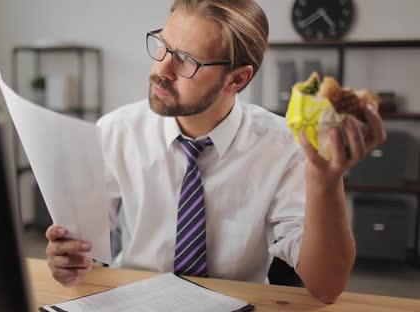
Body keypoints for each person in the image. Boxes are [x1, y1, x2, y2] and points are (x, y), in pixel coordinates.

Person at [44, 0, 386, 303]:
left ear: (236, 80)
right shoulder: (116, 131)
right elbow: (84, 252)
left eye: (185, 61)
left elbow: (327, 288)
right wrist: (69, 261)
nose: (160, 71)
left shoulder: (285, 146)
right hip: (133, 299)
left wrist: (326, 182)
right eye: (162, 46)